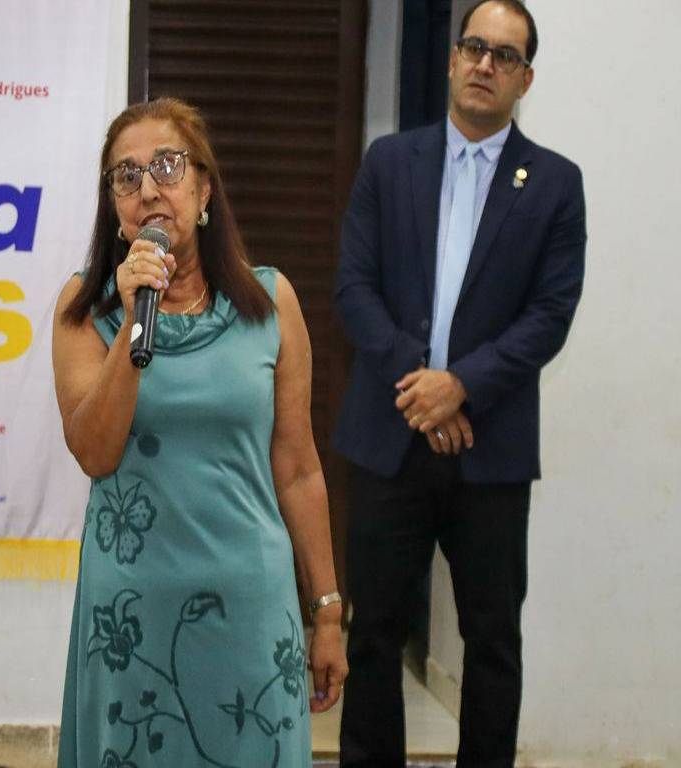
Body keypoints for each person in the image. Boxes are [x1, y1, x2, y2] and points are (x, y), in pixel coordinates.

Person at [53, 97, 348, 768]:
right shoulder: (85, 310)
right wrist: (133, 322)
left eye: (167, 166)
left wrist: (328, 611)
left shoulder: (271, 302)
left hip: (251, 609)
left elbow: (298, 468)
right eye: (126, 176)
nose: (148, 189)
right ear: (113, 206)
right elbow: (94, 450)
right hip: (135, 618)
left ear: (204, 188)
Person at [334, 1, 585, 765]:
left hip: (491, 449)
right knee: (374, 634)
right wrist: (424, 389)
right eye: (475, 47)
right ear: (451, 60)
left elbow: (549, 316)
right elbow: (354, 290)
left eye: (505, 55)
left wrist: (462, 387)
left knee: (492, 642)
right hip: (390, 437)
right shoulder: (388, 163)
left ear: (525, 79)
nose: (485, 64)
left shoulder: (555, 183)